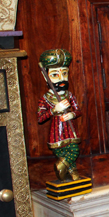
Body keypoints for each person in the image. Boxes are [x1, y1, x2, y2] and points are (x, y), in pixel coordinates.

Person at [37, 49, 83, 181]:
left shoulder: (69, 95)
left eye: (64, 73)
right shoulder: (45, 98)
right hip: (56, 133)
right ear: (45, 76)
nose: (62, 79)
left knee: (74, 150)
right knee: (61, 153)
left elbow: (78, 110)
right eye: (55, 75)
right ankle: (73, 173)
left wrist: (72, 115)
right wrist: (54, 110)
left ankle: (61, 166)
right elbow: (40, 118)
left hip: (70, 130)